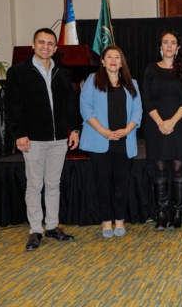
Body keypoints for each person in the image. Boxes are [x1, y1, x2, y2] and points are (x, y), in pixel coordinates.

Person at [5, 28, 78, 251]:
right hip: (32, 139)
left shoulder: (62, 72)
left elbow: (69, 104)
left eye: (50, 44)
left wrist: (74, 129)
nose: (45, 47)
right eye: (41, 42)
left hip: (58, 140)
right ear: (33, 45)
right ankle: (35, 230)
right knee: (35, 185)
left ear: (56, 48)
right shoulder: (18, 72)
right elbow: (12, 105)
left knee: (53, 184)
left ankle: (53, 227)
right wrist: (19, 133)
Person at [79, 45, 143, 238]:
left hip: (124, 141)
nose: (113, 60)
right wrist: (104, 132)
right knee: (103, 183)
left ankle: (120, 220)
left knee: (121, 185)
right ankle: (106, 222)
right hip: (100, 141)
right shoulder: (92, 80)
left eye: (117, 57)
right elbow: (85, 107)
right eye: (109, 57)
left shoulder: (132, 84)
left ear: (122, 61)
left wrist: (126, 130)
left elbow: (137, 111)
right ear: (103, 61)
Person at [142, 30, 182, 231]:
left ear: (178, 47)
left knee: (177, 168)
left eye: (172, 42)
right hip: (155, 125)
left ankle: (177, 212)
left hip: (180, 125)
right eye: (165, 42)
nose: (169, 46)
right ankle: (161, 212)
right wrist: (161, 122)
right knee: (159, 168)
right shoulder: (151, 69)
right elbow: (147, 100)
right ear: (161, 46)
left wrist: (172, 122)